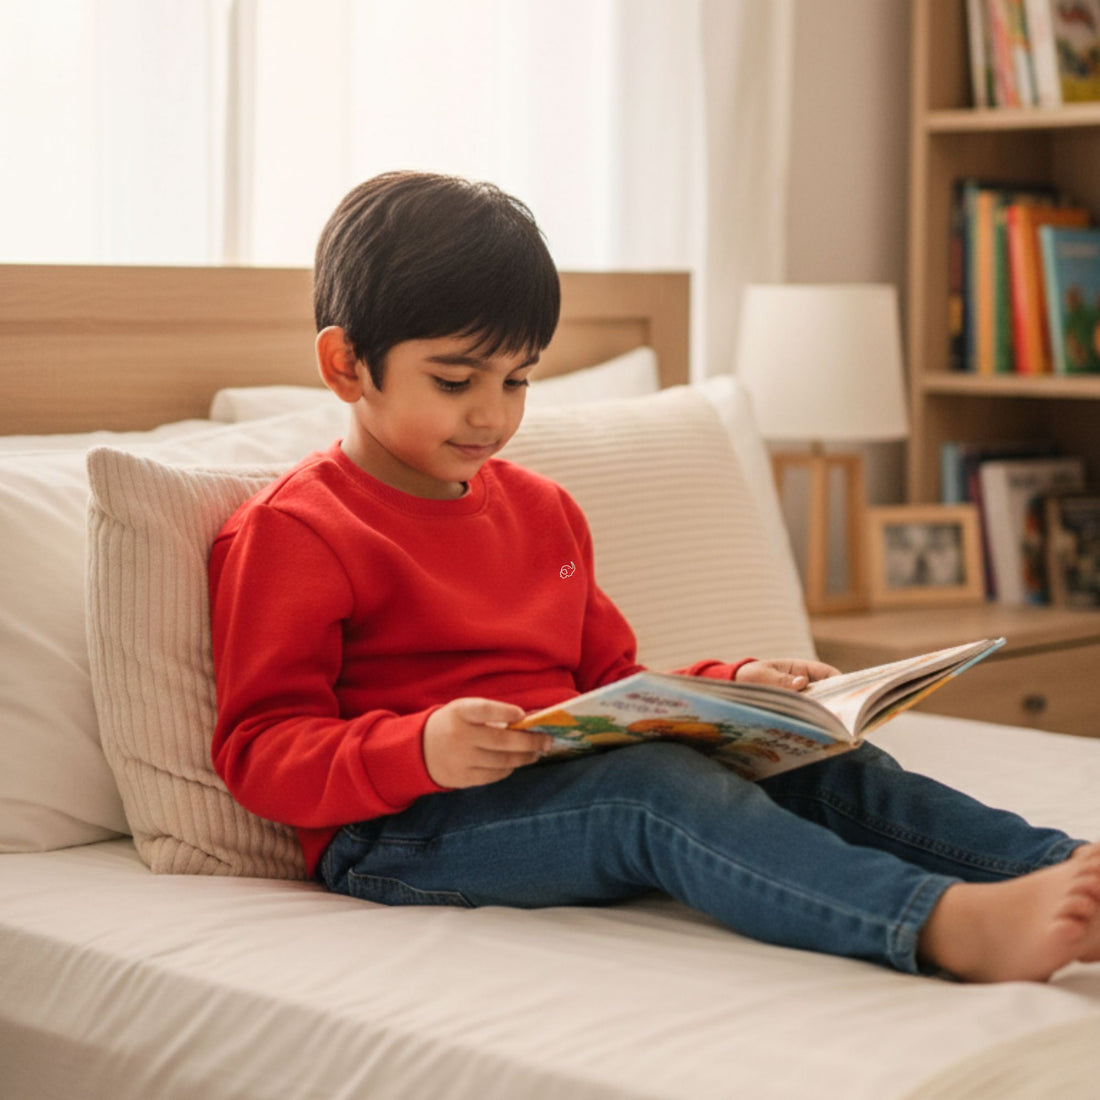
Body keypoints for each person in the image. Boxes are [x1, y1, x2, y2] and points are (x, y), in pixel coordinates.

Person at [210, 170, 1100, 983]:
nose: (491, 414)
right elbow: (258, 753)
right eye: (454, 380)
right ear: (344, 364)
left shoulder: (543, 510)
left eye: (517, 381)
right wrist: (422, 748)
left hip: (560, 781)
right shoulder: (295, 531)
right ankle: (941, 926)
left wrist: (739, 690)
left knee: (825, 762)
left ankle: (1058, 868)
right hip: (402, 832)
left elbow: (612, 688)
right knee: (650, 796)